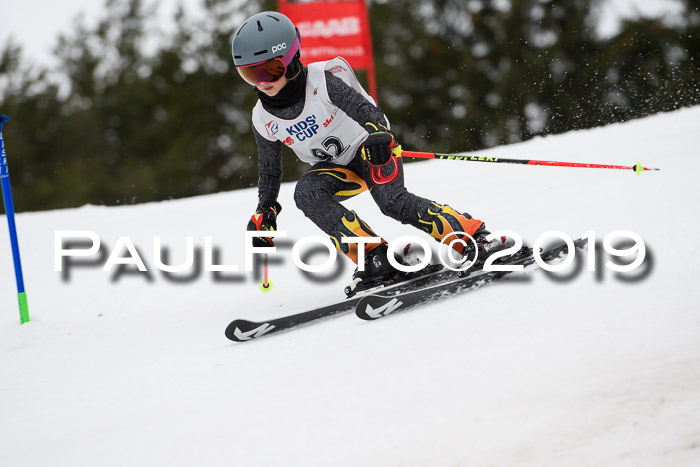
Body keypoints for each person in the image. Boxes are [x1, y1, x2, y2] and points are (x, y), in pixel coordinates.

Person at [233, 11, 509, 294]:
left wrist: (378, 133)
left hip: (371, 150)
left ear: (292, 60)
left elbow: (366, 110)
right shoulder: (262, 118)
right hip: (339, 170)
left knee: (391, 201)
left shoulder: (322, 82)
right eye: (250, 73)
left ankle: (475, 238)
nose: (262, 81)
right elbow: (269, 169)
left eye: (270, 70)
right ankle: (377, 257)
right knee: (306, 192)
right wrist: (265, 209)